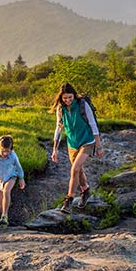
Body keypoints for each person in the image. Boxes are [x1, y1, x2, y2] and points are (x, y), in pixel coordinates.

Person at [51, 82, 103, 213]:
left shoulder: (83, 105)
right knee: (78, 170)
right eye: (65, 98)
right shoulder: (60, 109)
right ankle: (85, 190)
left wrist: (99, 145)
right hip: (72, 144)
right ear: (61, 98)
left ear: (74, 96)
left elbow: (93, 124)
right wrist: (54, 149)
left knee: (74, 169)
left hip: (87, 141)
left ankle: (69, 200)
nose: (67, 100)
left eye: (70, 97)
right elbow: (58, 128)